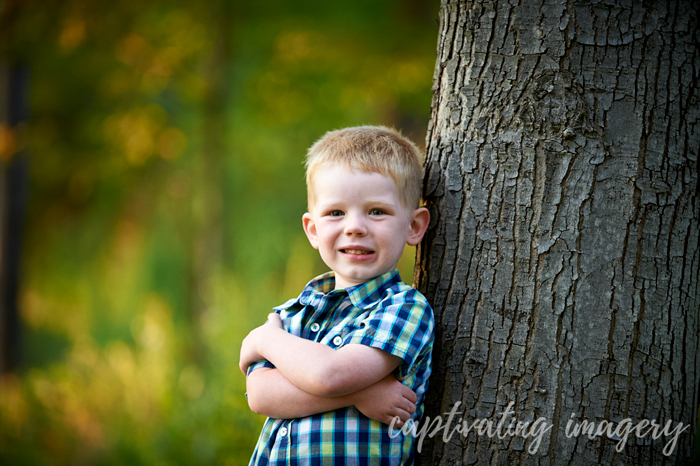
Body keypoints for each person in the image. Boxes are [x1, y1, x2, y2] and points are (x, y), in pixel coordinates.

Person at [239, 126, 434, 465]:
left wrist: (262, 338)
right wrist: (362, 394)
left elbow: (331, 376)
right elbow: (260, 394)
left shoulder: (403, 308)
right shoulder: (295, 311)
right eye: (336, 213)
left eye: (377, 211)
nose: (355, 226)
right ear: (313, 229)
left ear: (414, 226)